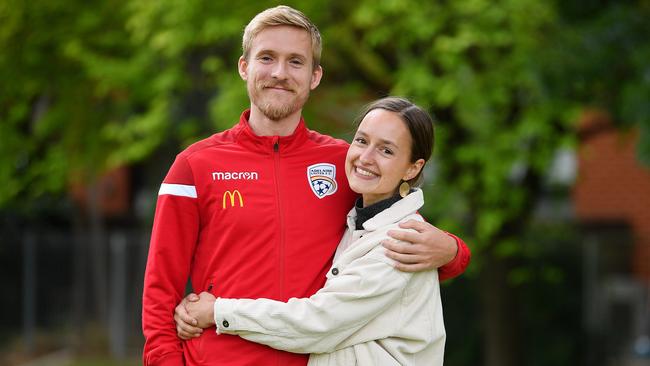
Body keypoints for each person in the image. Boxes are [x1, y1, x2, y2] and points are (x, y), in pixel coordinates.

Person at [142, 5, 470, 366]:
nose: (280, 73)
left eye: (295, 62)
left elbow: (402, 234)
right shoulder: (194, 166)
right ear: (244, 67)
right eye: (267, 57)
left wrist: (454, 251)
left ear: (315, 76)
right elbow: (160, 296)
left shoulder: (348, 164)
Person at [179, 97, 447, 366]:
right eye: (362, 141)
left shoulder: (401, 242)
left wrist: (217, 311)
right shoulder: (359, 222)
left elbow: (319, 323)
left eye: (386, 151)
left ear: (413, 167)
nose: (365, 158)